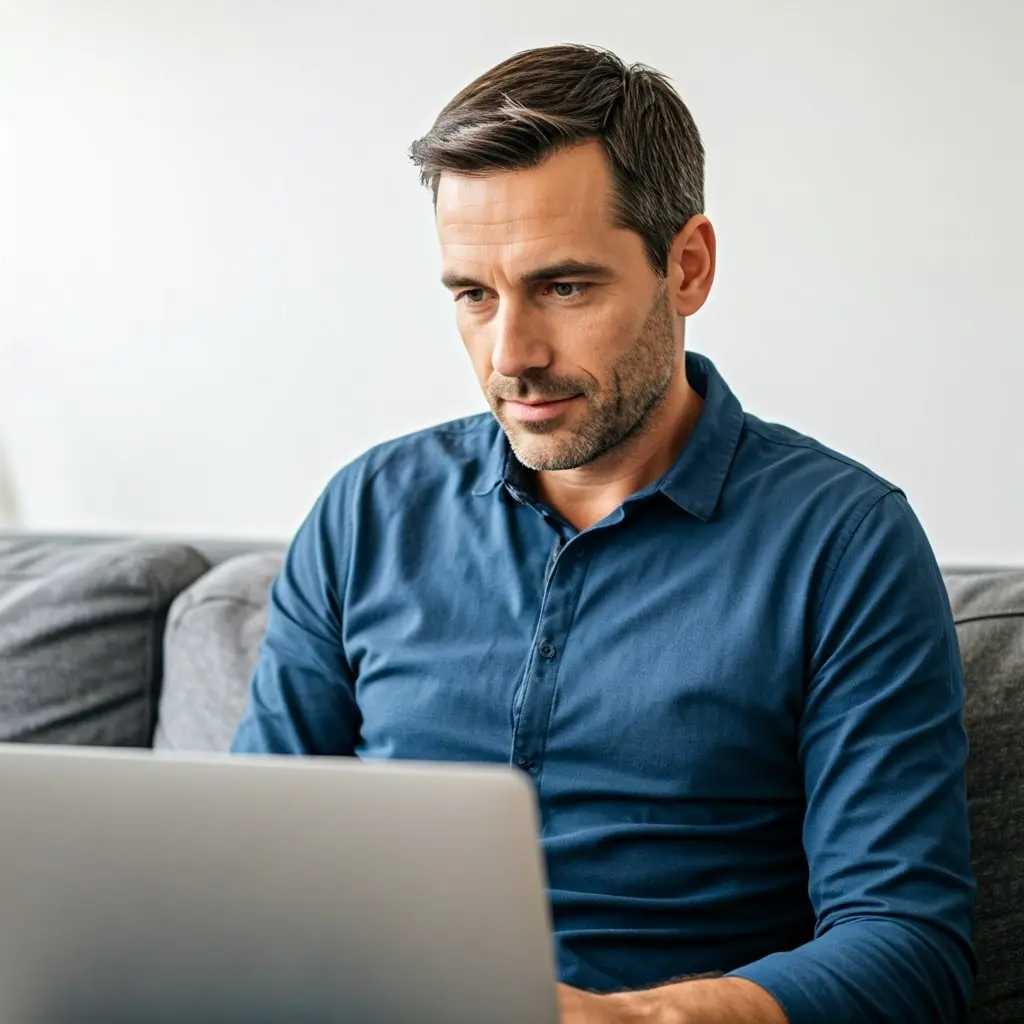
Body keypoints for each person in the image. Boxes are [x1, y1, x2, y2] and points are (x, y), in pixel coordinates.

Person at [231, 44, 975, 1023]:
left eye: (565, 287)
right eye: (472, 294)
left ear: (688, 266)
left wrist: (639, 1021)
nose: (512, 356)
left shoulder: (845, 544)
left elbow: (909, 947)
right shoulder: (366, 510)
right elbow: (240, 860)